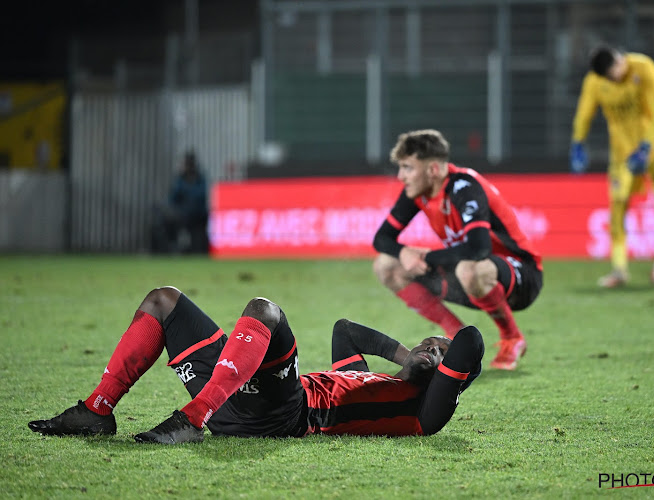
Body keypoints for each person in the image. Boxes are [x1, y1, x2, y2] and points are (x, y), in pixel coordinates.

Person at [28, 286, 484, 443]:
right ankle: (97, 409)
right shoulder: (366, 376)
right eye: (433, 344)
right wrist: (411, 355)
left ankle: (191, 419)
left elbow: (470, 342)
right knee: (163, 301)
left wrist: (441, 369)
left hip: (285, 416)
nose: (437, 350)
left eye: (443, 356)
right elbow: (346, 329)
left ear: (451, 378)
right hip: (237, 399)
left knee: (265, 310)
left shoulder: (421, 413)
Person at [372, 129, 543, 371]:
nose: (401, 176)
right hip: (470, 276)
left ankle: (512, 338)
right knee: (386, 266)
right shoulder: (418, 191)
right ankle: (458, 337)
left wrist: (426, 258)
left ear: (432, 170)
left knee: (468, 269)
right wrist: (404, 253)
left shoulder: (465, 187)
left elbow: (478, 247)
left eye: (408, 167)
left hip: (522, 276)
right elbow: (382, 238)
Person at [569, 45, 654, 287]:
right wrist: (578, 141)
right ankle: (619, 269)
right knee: (617, 207)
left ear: (619, 61)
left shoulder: (644, 67)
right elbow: (585, 112)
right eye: (607, 79)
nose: (613, 80)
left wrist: (646, 146)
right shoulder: (596, 81)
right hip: (622, 155)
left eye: (613, 74)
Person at [151, 150, 209, 254]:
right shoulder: (180, 178)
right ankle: (167, 248)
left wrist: (185, 193)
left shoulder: (200, 178)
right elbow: (173, 197)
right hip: (182, 213)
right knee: (161, 216)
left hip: (198, 214)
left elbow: (200, 196)